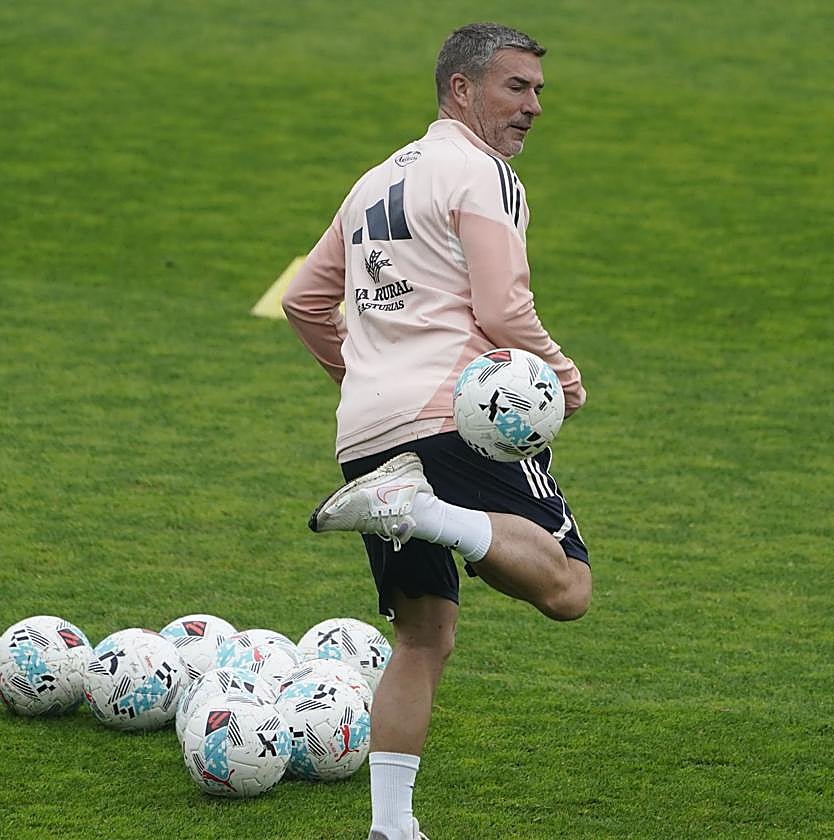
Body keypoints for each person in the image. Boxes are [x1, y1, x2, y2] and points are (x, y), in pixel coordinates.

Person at [281, 22, 592, 840]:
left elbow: (303, 302)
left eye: (537, 92)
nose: (532, 108)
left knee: (423, 635)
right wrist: (560, 373)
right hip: (459, 420)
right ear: (462, 89)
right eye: (515, 88)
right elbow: (501, 310)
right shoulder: (479, 172)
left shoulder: (375, 179)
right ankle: (425, 511)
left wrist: (365, 382)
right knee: (568, 588)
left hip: (366, 437)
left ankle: (392, 828)